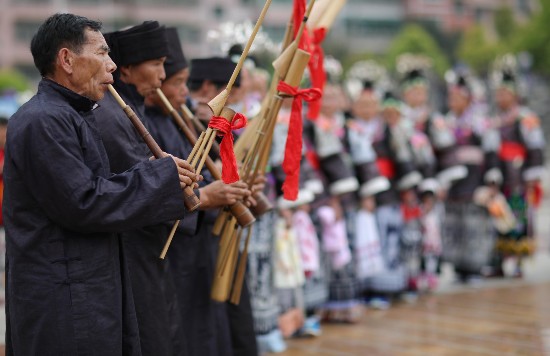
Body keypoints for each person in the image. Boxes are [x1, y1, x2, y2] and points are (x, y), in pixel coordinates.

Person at [3, 13, 199, 355]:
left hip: (87, 288)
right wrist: (156, 178)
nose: (112, 66)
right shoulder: (43, 120)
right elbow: (83, 202)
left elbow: (92, 187)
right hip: (63, 297)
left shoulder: (73, 114)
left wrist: (152, 173)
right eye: (103, 53)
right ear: (67, 59)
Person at [144, 30, 252, 356]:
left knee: (210, 327)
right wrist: (207, 196)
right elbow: (154, 187)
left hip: (200, 242)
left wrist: (234, 187)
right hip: (170, 250)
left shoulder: (184, 118)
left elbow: (201, 173)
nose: (183, 93)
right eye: (177, 83)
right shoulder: (147, 122)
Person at [93, 21, 198, 355]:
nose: (163, 75)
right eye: (156, 64)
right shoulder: (112, 114)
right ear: (125, 70)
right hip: (133, 250)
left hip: (149, 251)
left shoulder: (130, 109)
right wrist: (199, 194)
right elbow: (138, 188)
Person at [188, 56, 260, 356]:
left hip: (220, 237)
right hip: (191, 246)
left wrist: (244, 185)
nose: (239, 99)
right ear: (207, 88)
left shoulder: (217, 125)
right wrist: (211, 186)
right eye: (235, 92)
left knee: (235, 324)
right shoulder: (185, 121)